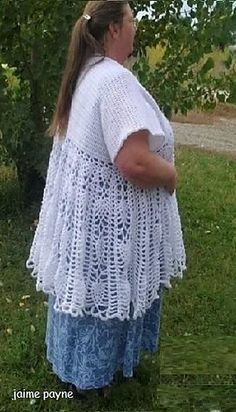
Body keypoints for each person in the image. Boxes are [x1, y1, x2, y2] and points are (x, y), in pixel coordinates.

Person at [26, 0, 186, 399]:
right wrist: (171, 174)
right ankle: (92, 382)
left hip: (88, 223)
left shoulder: (88, 72)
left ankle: (76, 374)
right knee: (103, 298)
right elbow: (132, 161)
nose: (136, 27)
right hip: (107, 229)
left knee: (84, 296)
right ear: (114, 29)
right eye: (131, 19)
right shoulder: (114, 82)